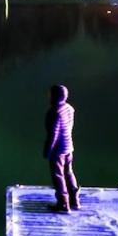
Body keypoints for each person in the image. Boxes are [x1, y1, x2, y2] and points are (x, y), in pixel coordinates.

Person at [43, 84, 79, 212]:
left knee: (58, 175)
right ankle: (74, 200)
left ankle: (63, 204)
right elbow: (70, 127)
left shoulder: (54, 112)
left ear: (54, 96)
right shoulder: (69, 108)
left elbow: (54, 134)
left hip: (58, 150)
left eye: (50, 94)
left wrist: (48, 150)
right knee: (69, 172)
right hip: (69, 146)